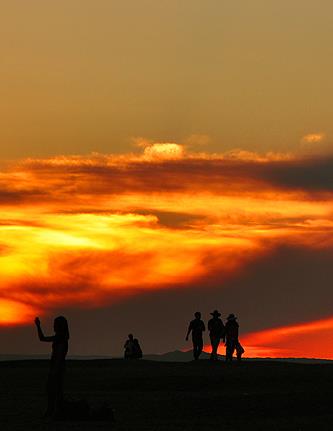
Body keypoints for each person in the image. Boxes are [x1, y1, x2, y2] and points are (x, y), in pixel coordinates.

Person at [34, 316, 69, 417]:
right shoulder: (59, 338)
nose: (53, 326)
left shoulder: (61, 339)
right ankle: (53, 411)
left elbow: (59, 354)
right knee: (54, 390)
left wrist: (55, 370)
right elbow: (42, 338)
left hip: (57, 368)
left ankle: (53, 411)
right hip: (56, 367)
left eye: (55, 324)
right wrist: (38, 326)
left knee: (54, 390)